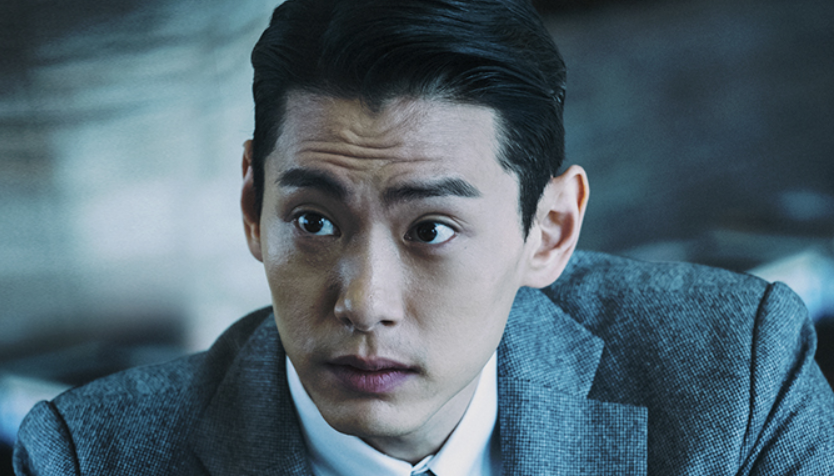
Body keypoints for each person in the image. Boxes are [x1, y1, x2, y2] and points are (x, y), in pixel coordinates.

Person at [14, 0, 834, 474]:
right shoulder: (85, 458)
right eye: (314, 221)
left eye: (431, 229)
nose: (365, 302)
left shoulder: (733, 375)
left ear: (549, 231)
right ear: (253, 207)